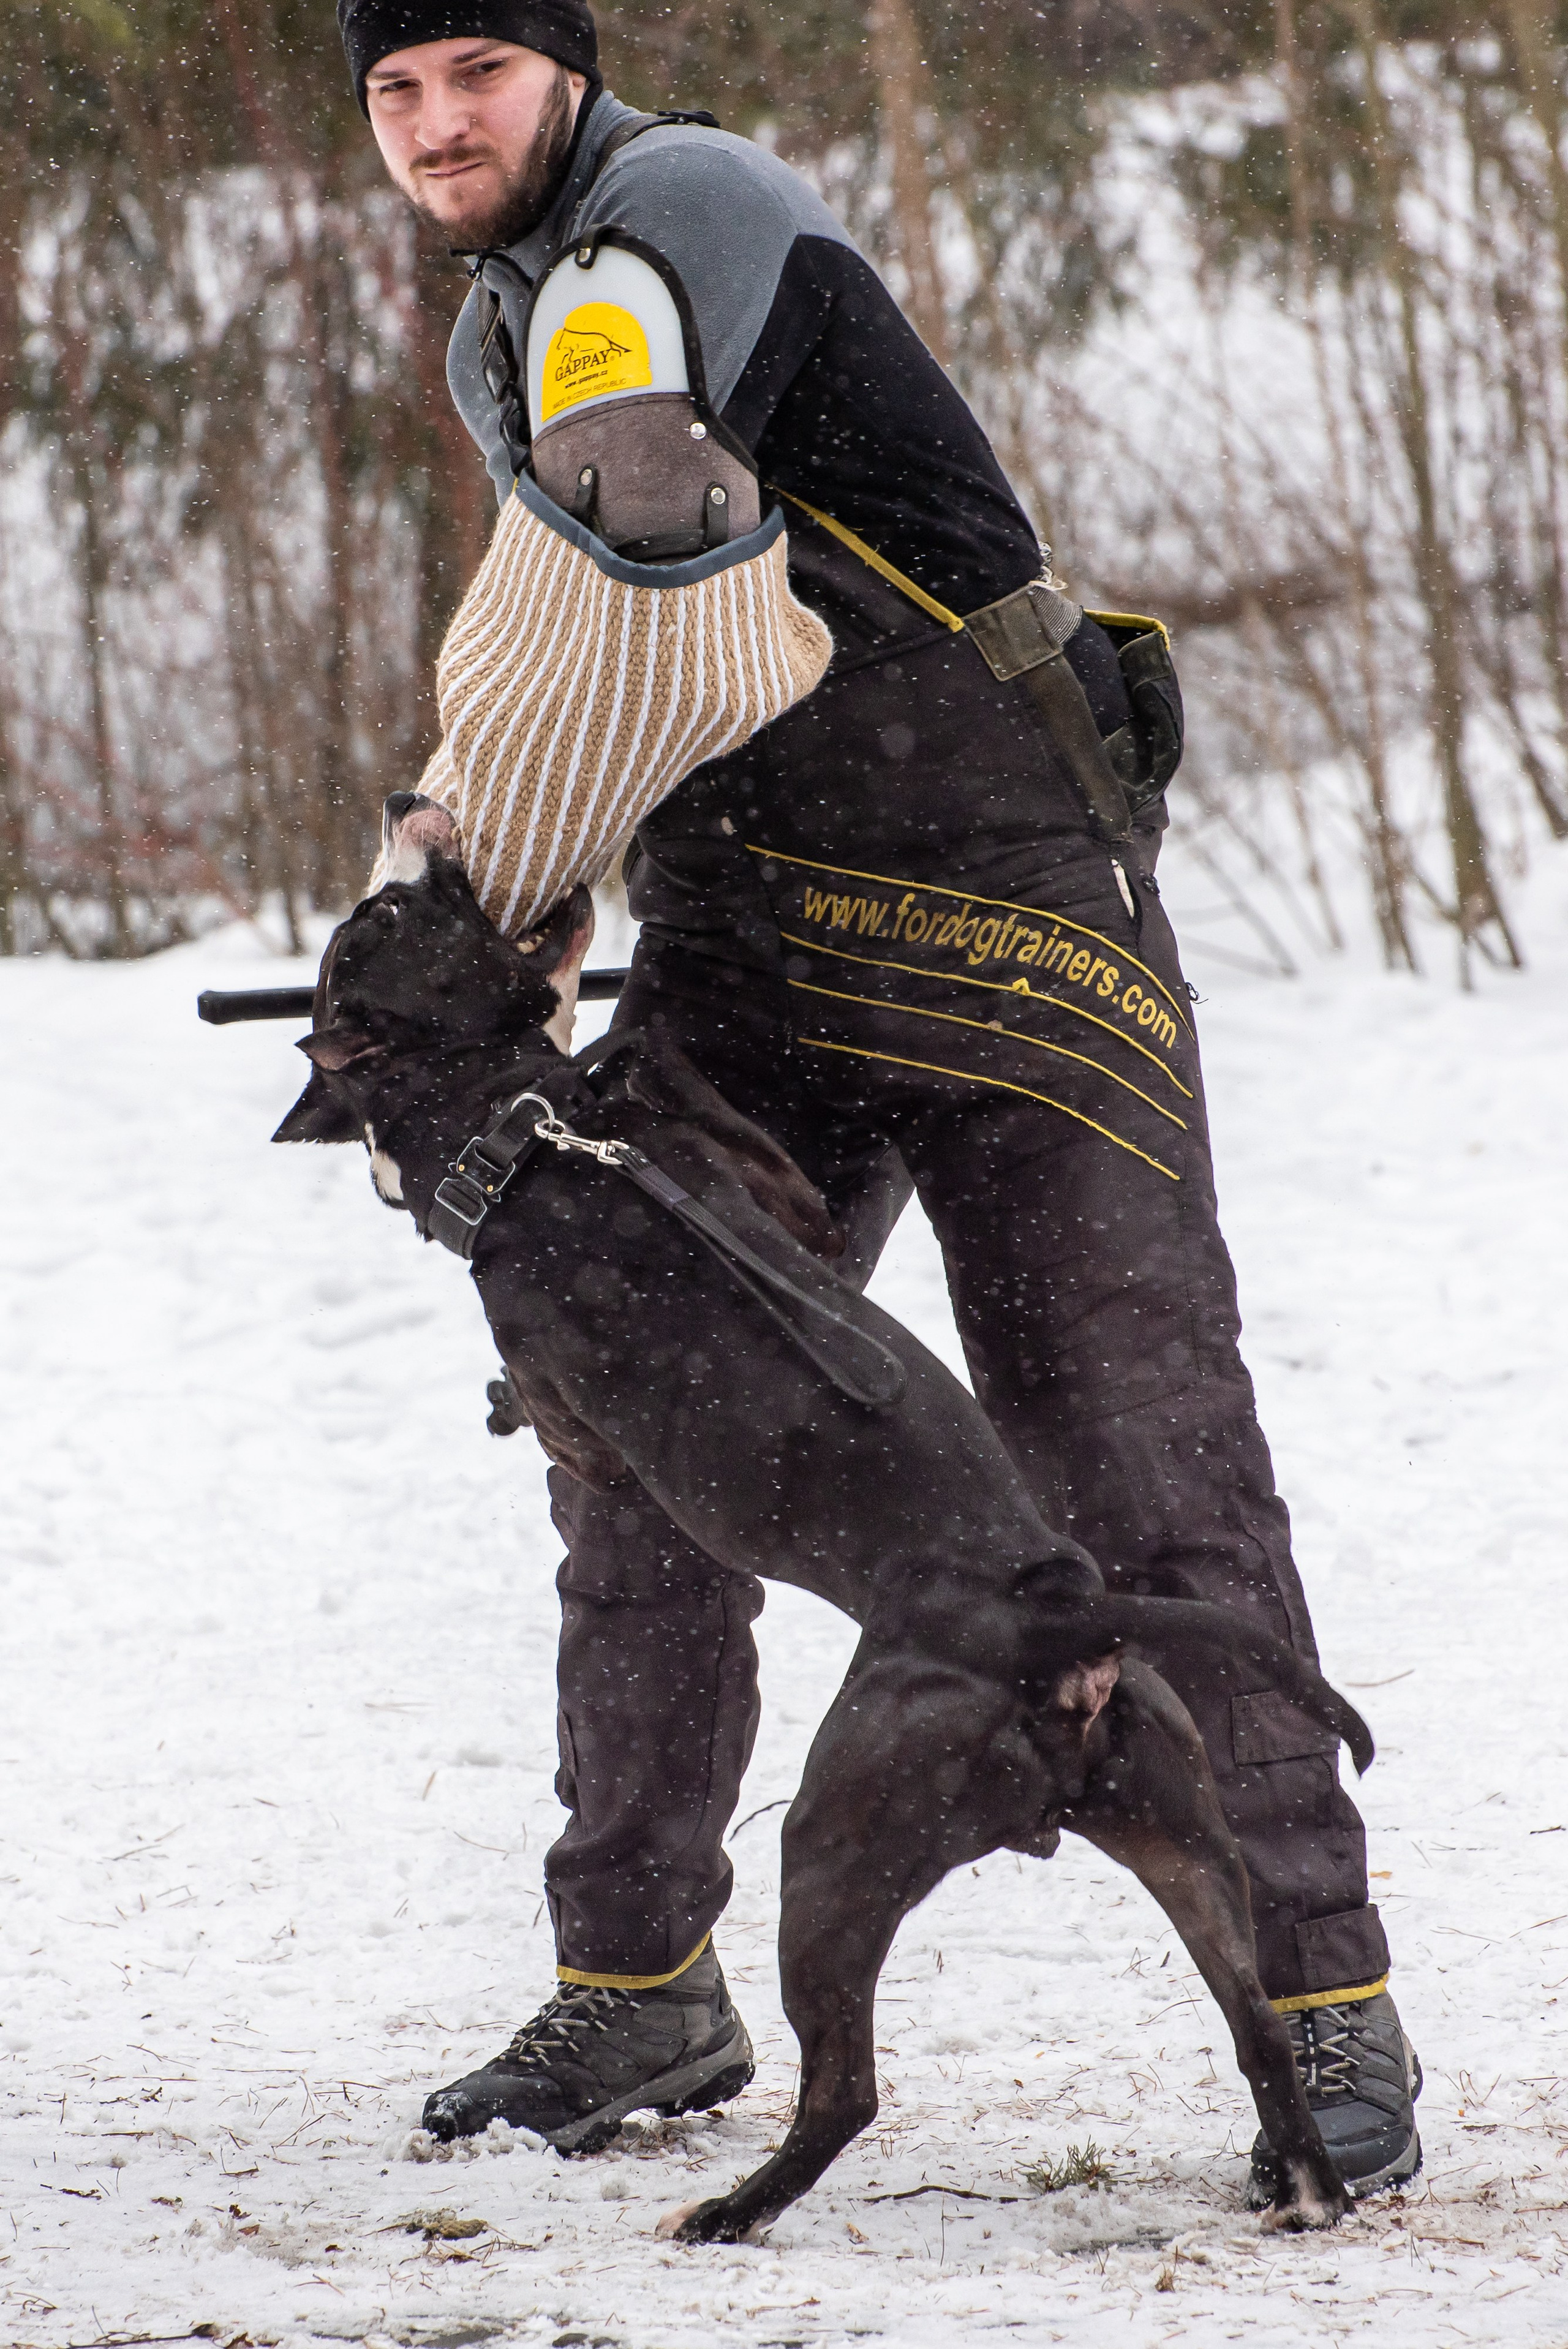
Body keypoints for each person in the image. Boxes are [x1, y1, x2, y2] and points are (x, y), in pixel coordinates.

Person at [336, 0, 1423, 2198]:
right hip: (746, 920)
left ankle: (1325, 2001)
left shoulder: (679, 218)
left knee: (1146, 1468)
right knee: (629, 1407)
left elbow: (650, 575)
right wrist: (496, 929)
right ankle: (640, 1985)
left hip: (1014, 903)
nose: (440, 127)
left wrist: (464, 884)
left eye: (480, 75)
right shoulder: (500, 327)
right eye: (395, 93)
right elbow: (594, 646)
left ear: (568, 73)